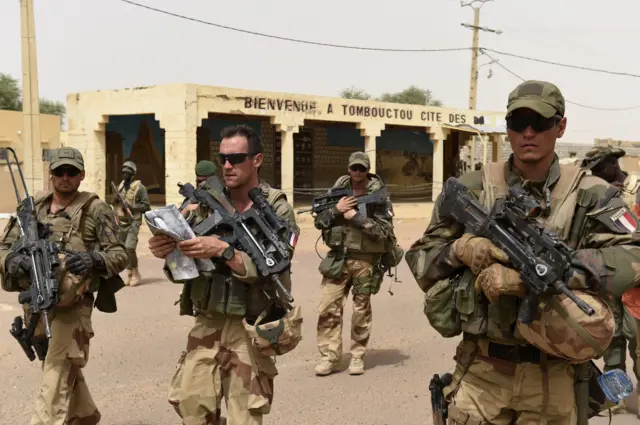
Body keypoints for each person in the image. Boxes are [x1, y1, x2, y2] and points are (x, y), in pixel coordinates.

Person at [405, 80, 640, 425]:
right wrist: (461, 249)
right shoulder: (473, 189)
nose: (528, 132)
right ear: (508, 128)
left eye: (540, 123)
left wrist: (542, 277)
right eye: (518, 123)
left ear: (560, 126)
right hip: (481, 370)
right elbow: (419, 261)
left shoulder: (593, 194)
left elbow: (633, 257)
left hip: (555, 377)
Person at [148, 124, 301, 425]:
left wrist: (223, 250)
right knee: (192, 408)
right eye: (223, 159)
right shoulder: (205, 202)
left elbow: (277, 263)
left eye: (237, 158)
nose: (228, 166)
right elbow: (181, 271)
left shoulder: (276, 208)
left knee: (245, 416)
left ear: (257, 160)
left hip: (250, 324)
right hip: (208, 321)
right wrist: (168, 251)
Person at [0, 146, 128, 425]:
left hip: (73, 307)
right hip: (36, 304)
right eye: (60, 172)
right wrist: (12, 261)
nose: (65, 177)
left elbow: (120, 255)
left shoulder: (95, 209)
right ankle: (85, 416)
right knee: (55, 368)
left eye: (71, 172)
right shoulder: (32, 208)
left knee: (55, 376)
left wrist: (93, 258)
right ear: (51, 174)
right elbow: (3, 249)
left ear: (81, 175)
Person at [313, 151, 399, 376]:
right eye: (354, 168)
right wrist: (336, 210)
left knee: (361, 310)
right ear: (348, 169)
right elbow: (319, 222)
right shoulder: (337, 193)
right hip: (338, 258)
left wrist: (355, 217)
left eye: (362, 169)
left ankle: (358, 356)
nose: (358, 173)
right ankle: (329, 357)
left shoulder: (378, 196)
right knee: (328, 308)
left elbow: (384, 231)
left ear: (367, 169)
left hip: (365, 260)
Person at [581, 145, 640, 414]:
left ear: (613, 163)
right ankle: (615, 395)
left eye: (599, 168)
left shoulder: (636, 188)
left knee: (637, 343)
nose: (595, 174)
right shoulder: (595, 192)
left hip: (636, 286)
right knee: (610, 338)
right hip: (606, 281)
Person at [110, 161, 150, 286]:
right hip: (121, 221)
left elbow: (146, 206)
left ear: (133, 174)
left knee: (129, 247)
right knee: (123, 248)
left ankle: (136, 272)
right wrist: (115, 199)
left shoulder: (140, 188)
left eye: (127, 173)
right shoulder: (120, 186)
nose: (125, 175)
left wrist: (131, 206)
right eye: (124, 173)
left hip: (134, 220)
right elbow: (113, 203)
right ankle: (130, 272)